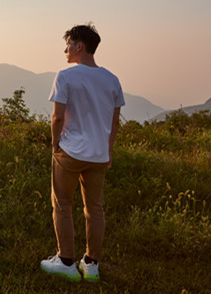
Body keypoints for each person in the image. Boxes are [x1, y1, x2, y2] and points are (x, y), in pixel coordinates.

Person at [40, 23, 125, 282]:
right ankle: (91, 264)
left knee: (63, 205)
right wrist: (108, 151)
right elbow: (114, 122)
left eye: (68, 44)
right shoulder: (112, 80)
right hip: (98, 155)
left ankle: (66, 261)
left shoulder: (65, 76)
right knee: (94, 208)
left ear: (80, 46)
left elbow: (57, 118)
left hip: (70, 152)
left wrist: (55, 145)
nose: (66, 50)